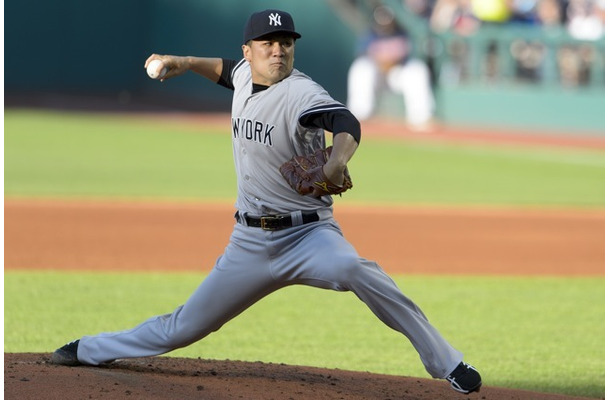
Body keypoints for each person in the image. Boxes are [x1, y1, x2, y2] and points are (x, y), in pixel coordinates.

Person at [50, 9, 482, 395]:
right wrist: (183, 63)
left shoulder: (301, 93)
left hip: (309, 235)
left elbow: (345, 122)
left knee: (356, 269)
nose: (278, 51)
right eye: (268, 44)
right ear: (250, 51)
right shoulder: (244, 75)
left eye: (286, 43)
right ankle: (89, 349)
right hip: (250, 244)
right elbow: (225, 70)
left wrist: (336, 161)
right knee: (184, 326)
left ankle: (447, 362)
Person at [347, 6, 436, 130]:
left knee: (417, 70)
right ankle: (360, 115)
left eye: (387, 20)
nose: (384, 23)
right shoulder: (370, 34)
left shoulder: (403, 33)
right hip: (377, 76)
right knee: (361, 67)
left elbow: (408, 56)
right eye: (381, 21)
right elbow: (364, 54)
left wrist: (388, 59)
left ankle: (420, 118)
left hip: (397, 75)